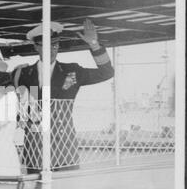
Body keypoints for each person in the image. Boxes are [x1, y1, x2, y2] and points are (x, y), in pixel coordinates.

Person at [12, 19, 114, 172]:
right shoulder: (22, 74)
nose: (52, 50)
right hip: (35, 145)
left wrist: (94, 44)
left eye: (55, 45)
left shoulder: (72, 71)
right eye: (46, 46)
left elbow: (106, 73)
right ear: (36, 46)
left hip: (64, 146)